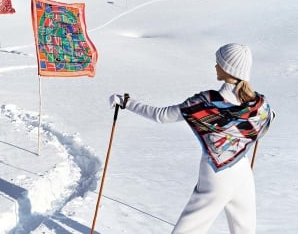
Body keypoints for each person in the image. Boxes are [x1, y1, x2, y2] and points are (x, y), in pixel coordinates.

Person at [109, 43, 274, 234]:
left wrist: (128, 103)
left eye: (218, 62)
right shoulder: (258, 104)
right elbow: (269, 120)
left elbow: (161, 115)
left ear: (228, 68)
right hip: (243, 174)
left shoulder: (206, 103)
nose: (215, 66)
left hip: (216, 172)